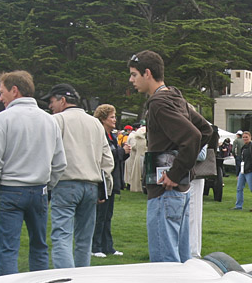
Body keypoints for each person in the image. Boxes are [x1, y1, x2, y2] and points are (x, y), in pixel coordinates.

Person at [128, 49, 211, 262]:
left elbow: (194, 135)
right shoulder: (175, 96)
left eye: (134, 74)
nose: (131, 80)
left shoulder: (159, 103)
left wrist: (175, 173)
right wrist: (183, 169)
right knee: (180, 261)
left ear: (147, 73)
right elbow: (206, 130)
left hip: (165, 192)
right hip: (180, 192)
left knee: (165, 265)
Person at [0, 70, 67, 276]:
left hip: (10, 190)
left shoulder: (4, 119)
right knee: (39, 247)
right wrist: (48, 185)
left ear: (15, 90)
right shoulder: (49, 120)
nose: (0, 98)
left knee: (8, 249)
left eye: (2, 92)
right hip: (39, 191)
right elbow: (60, 163)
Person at [44, 83, 114, 269]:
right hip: (91, 186)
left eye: (52, 101)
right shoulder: (95, 123)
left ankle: (67, 282)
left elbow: (47, 154)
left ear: (63, 100)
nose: (50, 106)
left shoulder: (56, 120)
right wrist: (104, 188)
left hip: (66, 183)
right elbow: (107, 160)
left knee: (62, 237)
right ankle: (82, 282)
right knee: (84, 239)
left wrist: (49, 182)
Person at [92, 104, 126, 258]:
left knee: (107, 216)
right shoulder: (99, 135)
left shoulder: (112, 136)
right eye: (112, 117)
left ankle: (108, 246)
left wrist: (124, 153)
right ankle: (95, 247)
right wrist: (121, 151)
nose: (115, 119)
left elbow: (115, 157)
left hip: (112, 180)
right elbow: (105, 155)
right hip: (102, 180)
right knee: (100, 216)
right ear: (103, 119)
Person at [233, 131, 252, 209]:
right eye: (244, 137)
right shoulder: (243, 147)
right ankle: (238, 205)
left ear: (250, 138)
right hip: (243, 170)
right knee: (239, 188)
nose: (245, 139)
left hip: (250, 170)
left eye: (246, 137)